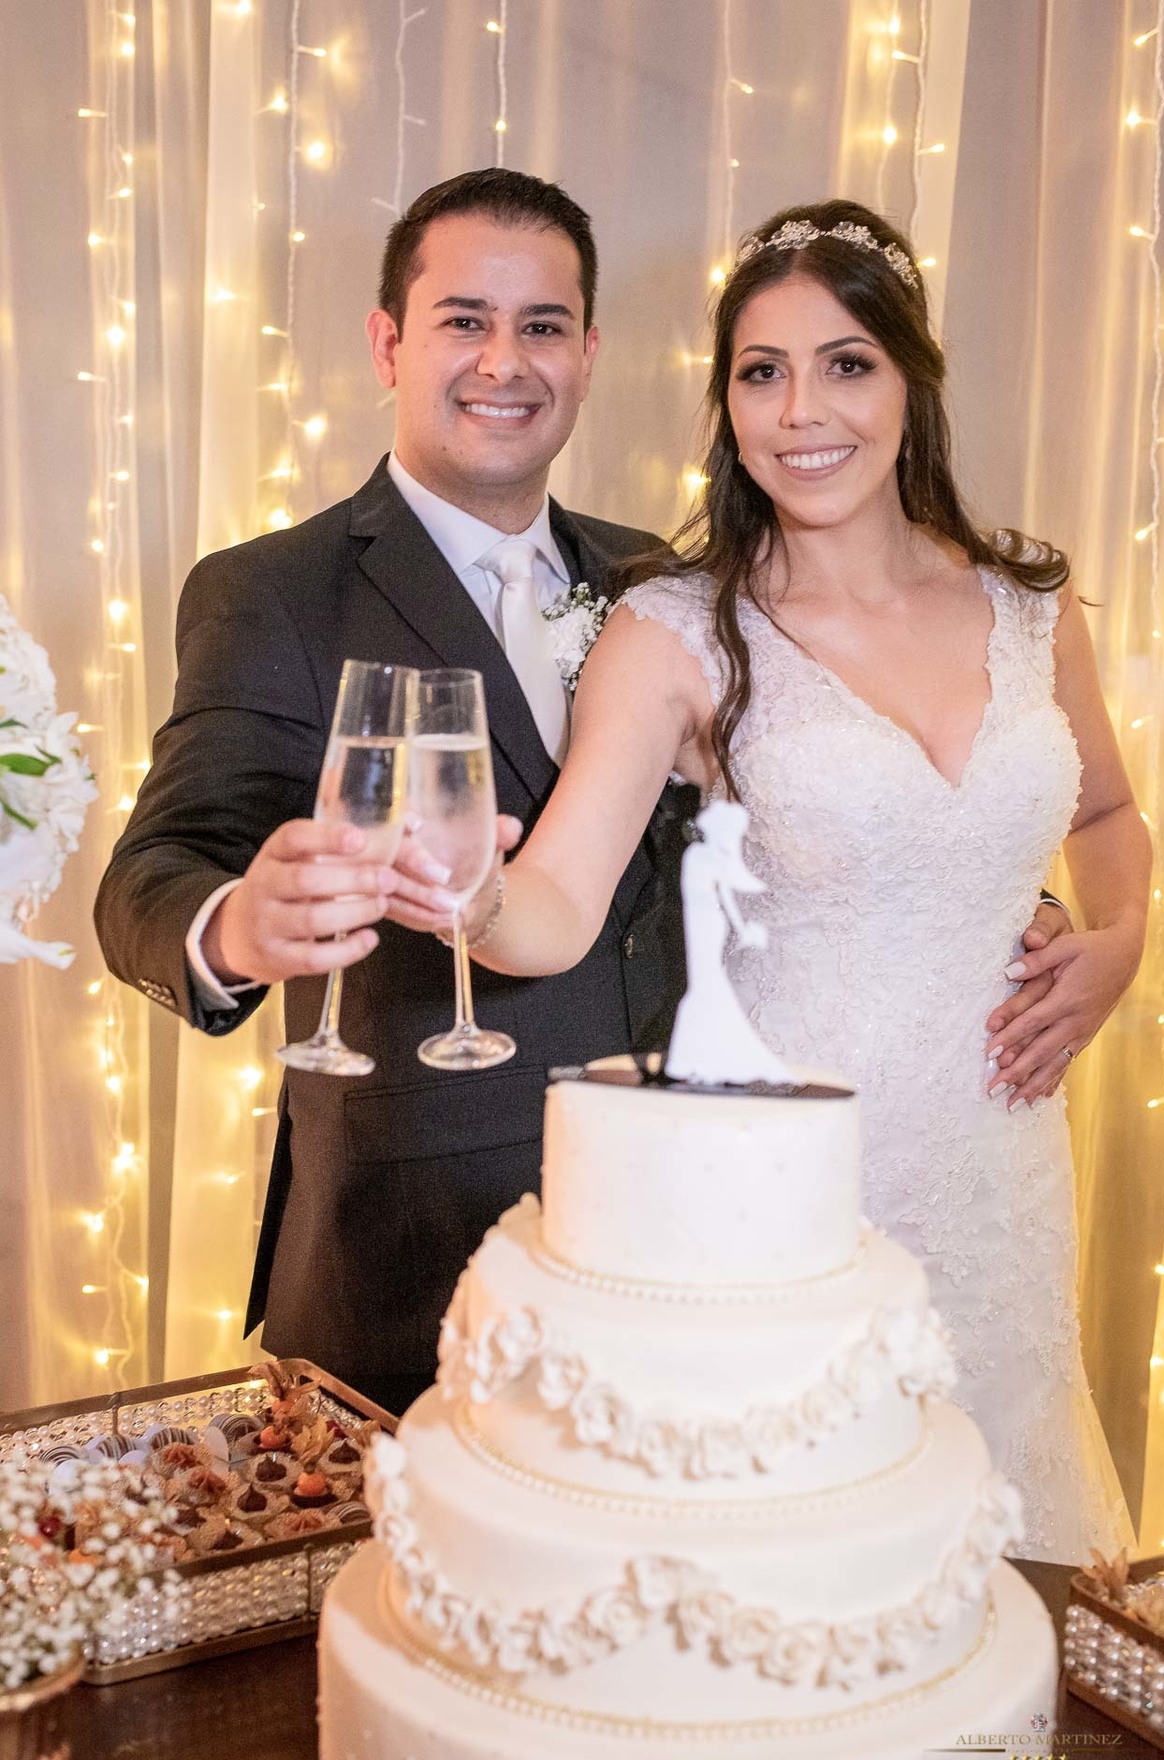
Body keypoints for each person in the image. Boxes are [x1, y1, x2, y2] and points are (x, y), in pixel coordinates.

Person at [392, 200, 1148, 1562]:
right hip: (789, 1193)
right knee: (798, 1584)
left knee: (996, 1586)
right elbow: (552, 907)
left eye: (846, 361)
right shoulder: (677, 629)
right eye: (761, 370)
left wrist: (1129, 936)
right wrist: (469, 895)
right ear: (726, 402)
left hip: (1002, 1174)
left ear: (911, 383)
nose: (803, 408)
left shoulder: (1035, 604)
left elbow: (1108, 810)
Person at [93, 169, 689, 1416]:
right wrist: (241, 928)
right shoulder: (275, 593)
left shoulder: (658, 580)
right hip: (410, 1257)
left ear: (588, 355)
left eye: (541, 326)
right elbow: (153, 876)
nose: (503, 362)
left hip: (673, 1229)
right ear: (388, 343)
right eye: (463, 320)